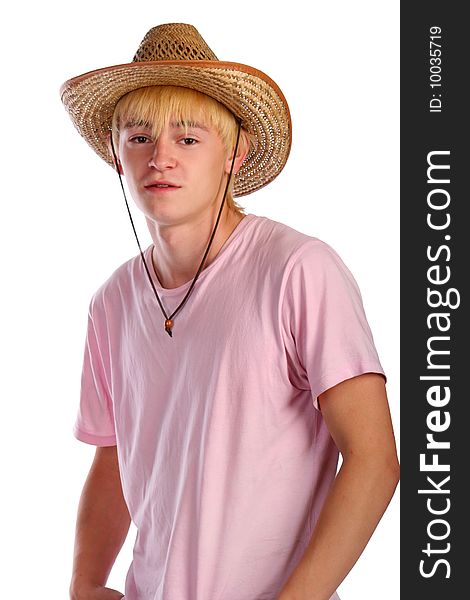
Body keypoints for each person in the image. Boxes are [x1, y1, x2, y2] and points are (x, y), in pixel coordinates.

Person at [61, 23, 399, 600]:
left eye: (188, 139)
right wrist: (85, 582)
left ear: (235, 154)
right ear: (117, 155)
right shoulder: (111, 302)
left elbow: (373, 460)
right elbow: (115, 451)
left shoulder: (297, 269)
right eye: (139, 136)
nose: (160, 157)